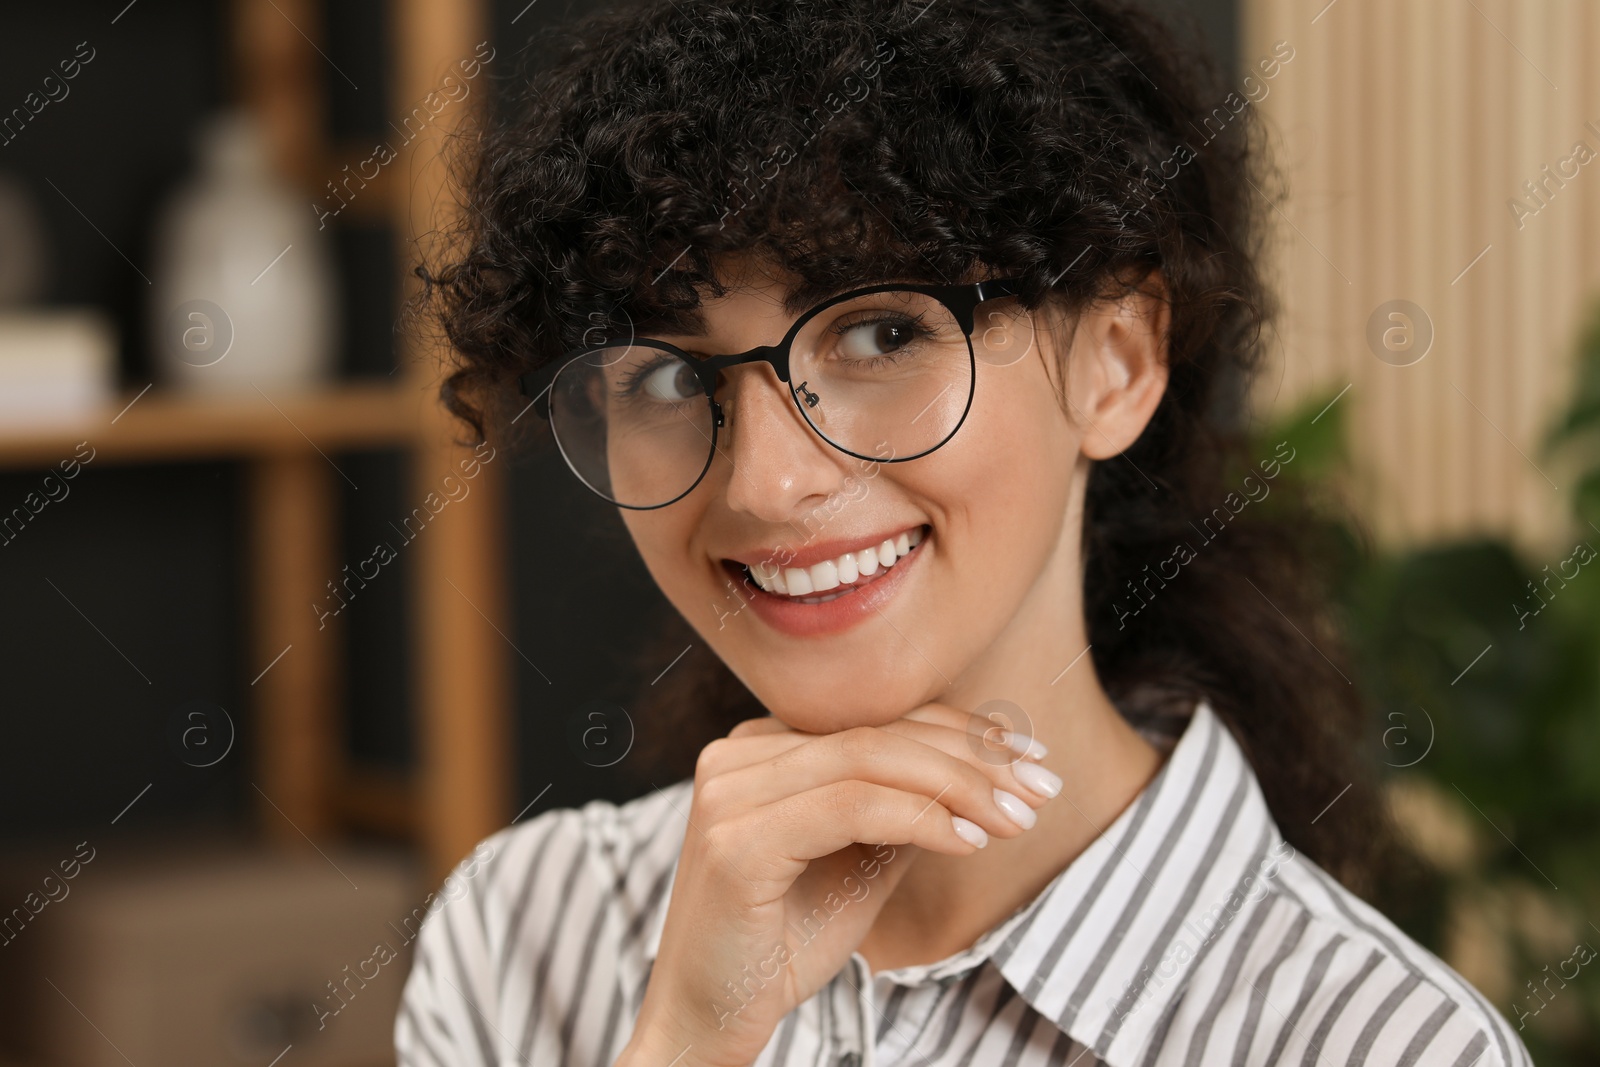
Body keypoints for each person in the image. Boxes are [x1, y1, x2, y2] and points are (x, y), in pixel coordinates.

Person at [393, 1, 1534, 1064]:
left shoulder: (1383, 1041)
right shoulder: (520, 938)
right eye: (661, 374)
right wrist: (688, 1034)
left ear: (1118, 361)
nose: (767, 482)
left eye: (883, 334)